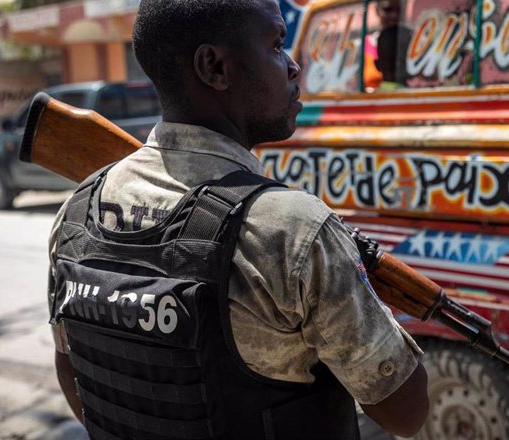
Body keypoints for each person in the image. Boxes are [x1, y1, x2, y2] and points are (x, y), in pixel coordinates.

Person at [47, 1, 428, 439]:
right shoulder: (292, 230)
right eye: (276, 44)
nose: (293, 65)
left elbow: (74, 376)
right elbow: (406, 411)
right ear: (214, 67)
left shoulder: (78, 210)